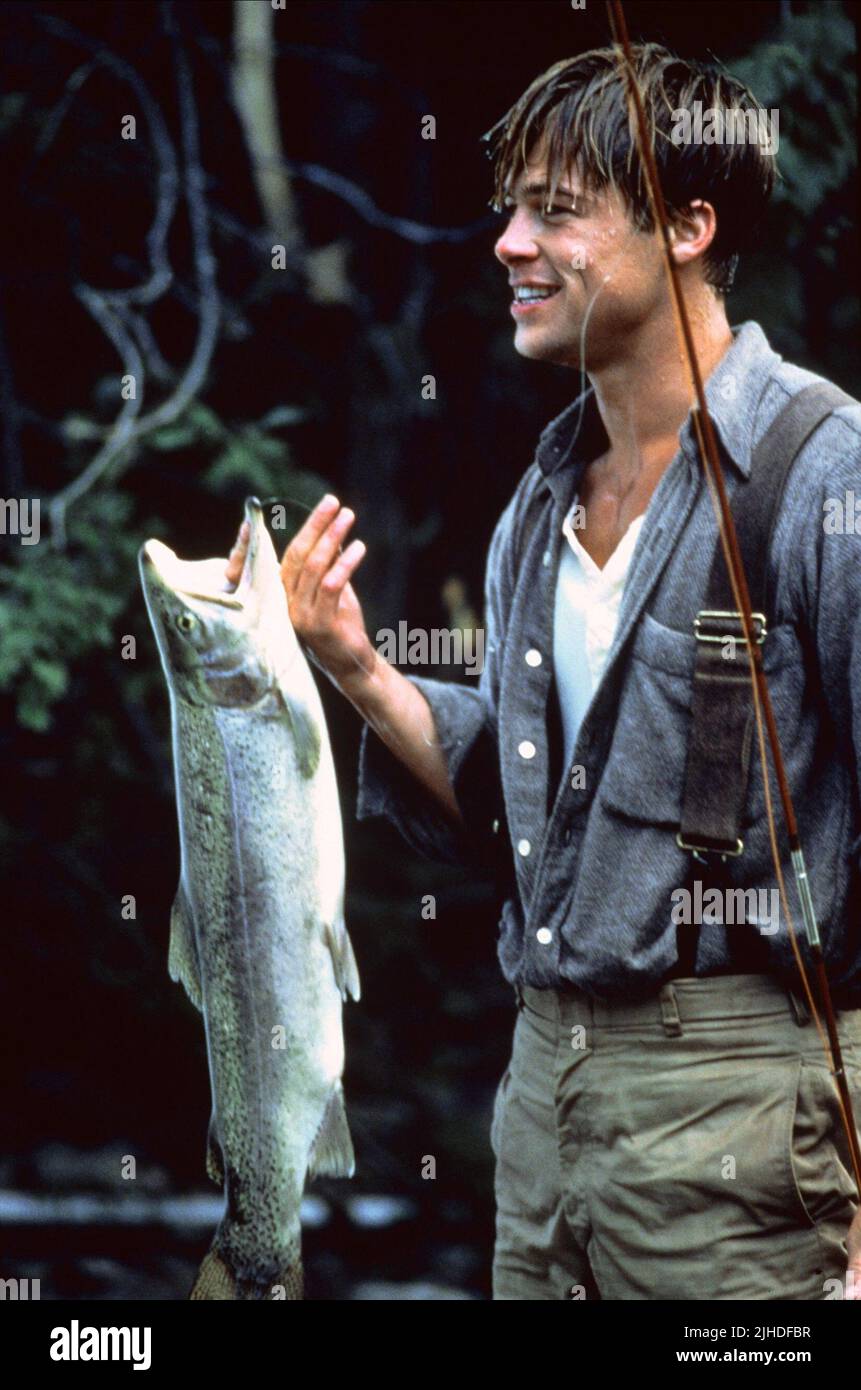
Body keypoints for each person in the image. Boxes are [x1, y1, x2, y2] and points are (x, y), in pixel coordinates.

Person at [225, 44, 861, 1300]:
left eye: (555, 212)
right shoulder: (541, 499)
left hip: (751, 1130)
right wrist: (356, 668)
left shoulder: (824, 473)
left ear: (688, 225)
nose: (510, 243)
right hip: (543, 1116)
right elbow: (530, 828)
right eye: (510, 209)